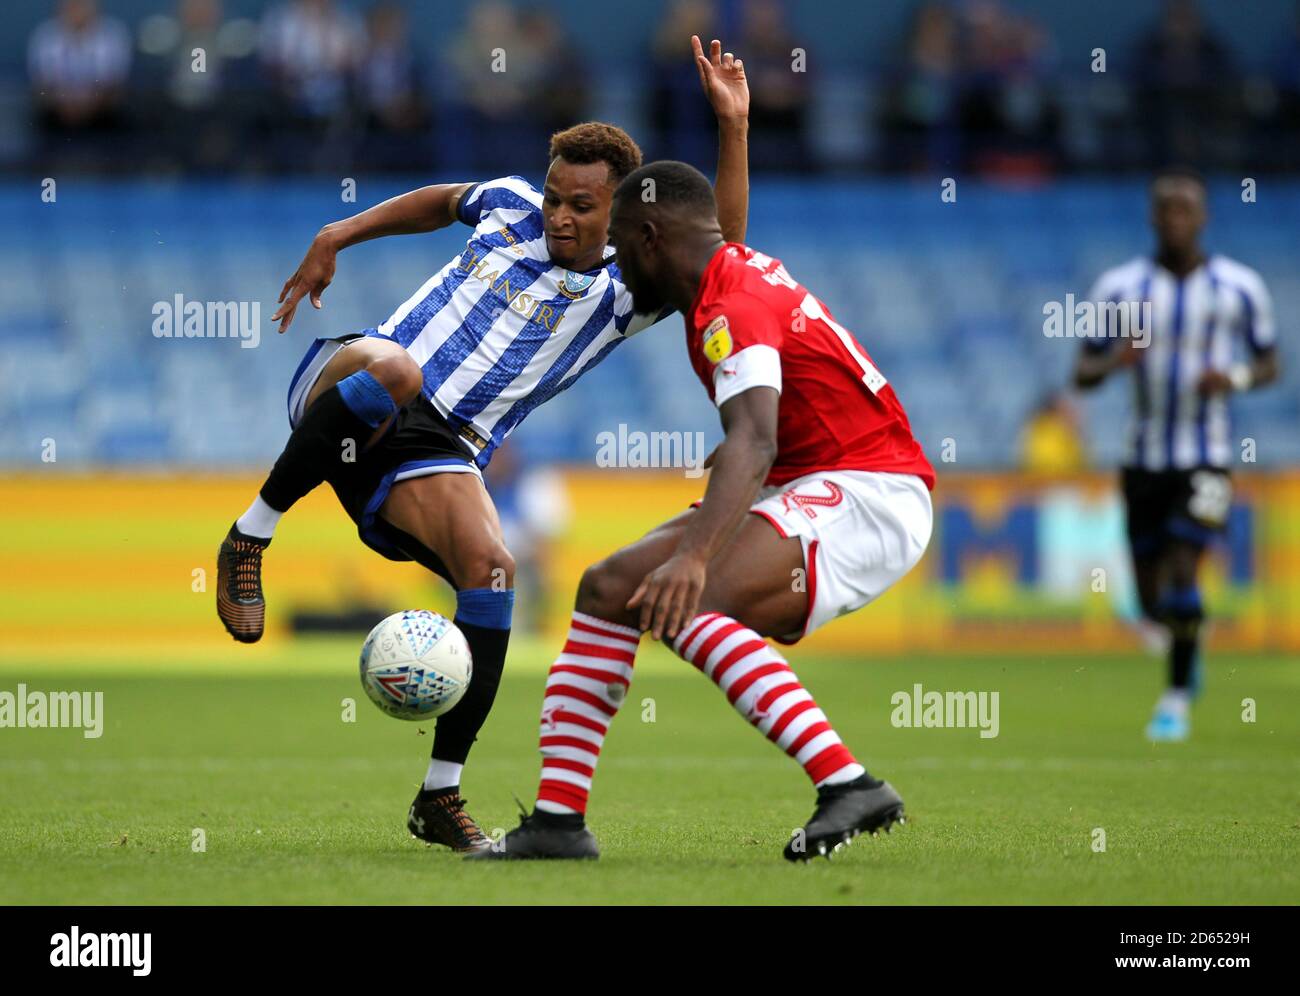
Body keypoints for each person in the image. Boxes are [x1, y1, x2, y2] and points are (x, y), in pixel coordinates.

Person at [216, 39, 751, 853]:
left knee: (493, 575)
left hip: (442, 448)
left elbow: (726, 257)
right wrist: (339, 233)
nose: (560, 215)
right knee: (396, 367)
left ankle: (439, 795)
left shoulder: (627, 290)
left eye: (581, 205)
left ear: (627, 216)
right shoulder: (504, 204)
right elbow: (437, 202)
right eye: (554, 198)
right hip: (352, 382)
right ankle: (249, 535)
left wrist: (734, 129)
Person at [473, 161, 935, 863]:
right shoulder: (722, 272)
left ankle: (849, 783)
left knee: (684, 599)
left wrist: (694, 557)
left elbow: (754, 437)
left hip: (870, 492)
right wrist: (737, 132)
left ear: (652, 238)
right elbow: (718, 227)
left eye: (622, 248)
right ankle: (558, 825)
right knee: (607, 589)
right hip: (805, 481)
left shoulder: (732, 306)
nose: (615, 266)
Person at [1073, 168, 1279, 742]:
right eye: (1165, 210)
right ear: (1152, 217)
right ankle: (1186, 638)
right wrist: (1117, 361)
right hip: (1142, 459)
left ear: (1203, 217)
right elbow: (1081, 372)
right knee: (1149, 600)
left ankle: (1176, 699)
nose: (1174, 220)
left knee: (1187, 565)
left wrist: (1234, 375)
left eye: (1185, 210)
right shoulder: (1119, 289)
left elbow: (1270, 362)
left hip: (1207, 455)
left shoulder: (1239, 288)